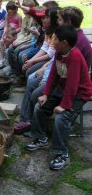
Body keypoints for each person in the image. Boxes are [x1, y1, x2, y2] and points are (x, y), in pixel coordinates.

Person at [15, 6, 92, 136]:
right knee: (33, 81)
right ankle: (28, 121)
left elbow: (72, 80)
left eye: (60, 20)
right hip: (61, 78)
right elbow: (56, 65)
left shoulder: (74, 43)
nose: (58, 22)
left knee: (35, 92)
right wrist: (44, 72)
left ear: (69, 22)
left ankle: (34, 125)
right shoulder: (66, 37)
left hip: (69, 83)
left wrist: (46, 82)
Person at [25, 25, 92, 170]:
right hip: (63, 89)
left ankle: (62, 153)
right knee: (39, 107)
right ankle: (41, 138)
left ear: (65, 43)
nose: (52, 41)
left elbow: (73, 85)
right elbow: (54, 76)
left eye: (55, 39)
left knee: (62, 117)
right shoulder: (59, 53)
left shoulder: (74, 57)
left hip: (79, 94)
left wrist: (65, 105)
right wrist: (46, 94)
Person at [0, 1, 22, 68]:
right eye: (8, 9)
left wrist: (13, 32)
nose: (9, 11)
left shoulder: (18, 16)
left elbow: (20, 28)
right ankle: (2, 59)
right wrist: (4, 34)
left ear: (15, 9)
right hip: (8, 32)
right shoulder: (7, 15)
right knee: (2, 41)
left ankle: (8, 60)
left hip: (15, 34)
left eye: (11, 9)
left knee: (10, 44)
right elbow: (6, 26)